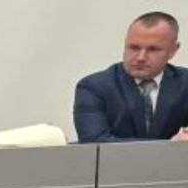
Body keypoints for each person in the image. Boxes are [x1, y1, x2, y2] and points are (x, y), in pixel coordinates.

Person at [74, 11, 188, 143]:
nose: (141, 57)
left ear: (173, 50)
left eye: (153, 49)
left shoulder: (185, 83)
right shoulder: (94, 87)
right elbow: (93, 141)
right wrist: (170, 146)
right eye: (134, 47)